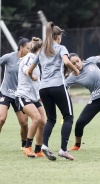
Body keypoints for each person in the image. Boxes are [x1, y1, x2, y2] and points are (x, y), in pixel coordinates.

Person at [28, 22, 80, 161]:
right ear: (57, 36)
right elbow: (67, 62)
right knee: (68, 116)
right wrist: (75, 71)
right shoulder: (61, 48)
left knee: (51, 119)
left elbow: (29, 70)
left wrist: (33, 77)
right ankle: (63, 149)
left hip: (43, 89)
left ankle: (44, 145)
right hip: (57, 86)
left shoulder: (42, 51)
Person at [15, 37, 46, 158]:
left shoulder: (37, 60)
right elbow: (26, 70)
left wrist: (40, 94)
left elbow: (38, 81)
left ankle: (38, 149)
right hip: (23, 95)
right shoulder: (28, 58)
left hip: (34, 97)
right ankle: (27, 147)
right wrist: (31, 74)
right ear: (40, 49)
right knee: (36, 118)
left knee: (43, 121)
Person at [0, 37, 30, 149]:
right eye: (28, 48)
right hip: (5, 93)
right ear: (21, 47)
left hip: (20, 95)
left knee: (24, 123)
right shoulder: (9, 57)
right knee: (1, 119)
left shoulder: (29, 60)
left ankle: (24, 145)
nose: (29, 50)